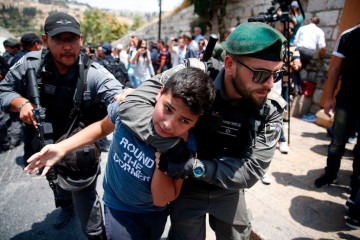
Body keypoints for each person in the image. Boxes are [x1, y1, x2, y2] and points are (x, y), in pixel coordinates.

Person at [118, 22, 287, 239]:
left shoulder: (270, 108)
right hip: (187, 187)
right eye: (261, 74)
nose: (270, 84)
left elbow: (252, 170)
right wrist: (173, 147)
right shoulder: (197, 75)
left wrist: (196, 167)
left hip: (228, 186)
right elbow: (133, 105)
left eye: (277, 73)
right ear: (229, 64)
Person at [24, 67, 216, 240]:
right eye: (167, 108)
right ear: (159, 93)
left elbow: (161, 199)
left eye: (184, 121)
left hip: (153, 213)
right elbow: (102, 127)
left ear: (195, 123)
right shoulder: (130, 112)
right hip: (118, 207)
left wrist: (163, 160)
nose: (168, 124)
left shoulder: (185, 146)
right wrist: (63, 147)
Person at [0, 12, 124, 239]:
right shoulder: (31, 63)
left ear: (81, 39)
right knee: (55, 180)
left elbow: (118, 96)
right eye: (59, 39)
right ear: (45, 40)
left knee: (84, 191)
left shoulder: (92, 72)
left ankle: (95, 233)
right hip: (44, 137)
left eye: (72, 39)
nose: (67, 46)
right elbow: (4, 90)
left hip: (79, 143)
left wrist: (125, 98)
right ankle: (65, 207)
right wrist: (22, 104)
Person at [314, 24, 360, 229]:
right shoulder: (349, 35)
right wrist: (329, 97)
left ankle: (355, 187)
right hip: (347, 102)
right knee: (337, 142)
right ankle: (330, 173)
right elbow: (335, 68)